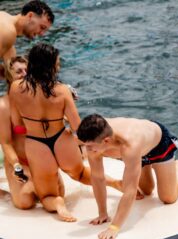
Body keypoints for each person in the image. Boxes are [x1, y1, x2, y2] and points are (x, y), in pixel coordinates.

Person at [9, 44, 117, 223]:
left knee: (48, 196)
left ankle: (58, 204)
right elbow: (78, 127)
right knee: (81, 174)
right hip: (61, 139)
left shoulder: (15, 87)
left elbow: (17, 123)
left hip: (36, 144)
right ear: (50, 65)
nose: (58, 66)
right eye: (56, 63)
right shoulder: (62, 90)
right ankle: (114, 183)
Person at [76, 113, 178, 239]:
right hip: (140, 150)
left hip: (159, 145)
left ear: (106, 141)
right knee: (147, 190)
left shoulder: (129, 145)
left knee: (168, 198)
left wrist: (114, 227)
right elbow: (98, 178)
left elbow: (129, 191)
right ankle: (148, 165)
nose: (86, 149)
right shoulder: (95, 140)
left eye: (89, 146)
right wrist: (103, 213)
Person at [0, 55, 38, 210]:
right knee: (24, 203)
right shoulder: (3, 106)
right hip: (18, 160)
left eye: (26, 70)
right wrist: (17, 166)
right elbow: (6, 143)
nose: (24, 74)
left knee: (56, 196)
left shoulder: (38, 98)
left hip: (39, 159)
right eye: (18, 71)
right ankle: (4, 193)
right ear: (10, 77)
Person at [0, 1, 53, 71]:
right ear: (30, 16)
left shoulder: (3, 16)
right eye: (42, 27)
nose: (42, 34)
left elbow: (10, 72)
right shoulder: (8, 32)